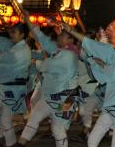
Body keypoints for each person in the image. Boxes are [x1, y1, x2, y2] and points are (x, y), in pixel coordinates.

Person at [62, 23, 115, 147]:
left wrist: (99, 63)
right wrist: (72, 31)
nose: (113, 38)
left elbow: (113, 73)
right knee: (92, 140)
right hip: (112, 103)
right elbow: (95, 46)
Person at [14, 11, 79, 147]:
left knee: (58, 129)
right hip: (50, 96)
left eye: (63, 36)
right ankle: (20, 144)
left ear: (71, 40)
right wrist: (29, 21)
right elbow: (41, 38)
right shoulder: (58, 51)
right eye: (59, 36)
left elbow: (45, 66)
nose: (59, 38)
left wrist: (42, 60)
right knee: (34, 119)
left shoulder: (70, 55)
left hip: (66, 99)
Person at [0, 23, 31, 147]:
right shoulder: (16, 48)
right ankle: (10, 143)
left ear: (22, 35)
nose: (11, 34)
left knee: (5, 120)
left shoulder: (22, 50)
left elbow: (5, 61)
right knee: (4, 120)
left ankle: (10, 143)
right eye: (11, 31)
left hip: (12, 90)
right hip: (4, 87)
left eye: (14, 32)